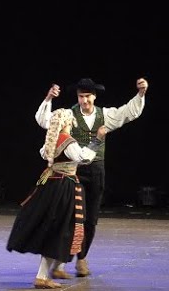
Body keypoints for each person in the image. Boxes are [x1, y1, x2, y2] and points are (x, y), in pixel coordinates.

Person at [34, 77, 148, 277]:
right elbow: (46, 122)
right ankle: (60, 264)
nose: (84, 101)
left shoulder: (105, 115)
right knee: (73, 217)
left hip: (95, 171)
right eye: (81, 97)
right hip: (73, 171)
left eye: (87, 97)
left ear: (94, 96)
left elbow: (128, 112)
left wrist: (141, 94)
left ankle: (82, 258)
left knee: (90, 219)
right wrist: (48, 98)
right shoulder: (69, 114)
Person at [7, 109, 97, 289]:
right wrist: (96, 142)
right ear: (66, 123)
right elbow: (83, 158)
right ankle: (42, 276)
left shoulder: (52, 140)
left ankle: (58, 267)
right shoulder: (67, 140)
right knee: (59, 229)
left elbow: (44, 154)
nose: (71, 125)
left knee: (63, 227)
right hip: (63, 187)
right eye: (70, 122)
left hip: (52, 185)